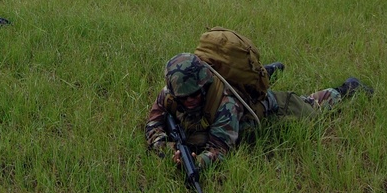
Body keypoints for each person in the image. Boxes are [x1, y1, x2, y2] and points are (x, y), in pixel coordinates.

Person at [145, 53, 372, 169]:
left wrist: (198, 162)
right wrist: (167, 149)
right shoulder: (169, 94)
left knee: (309, 108)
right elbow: (153, 125)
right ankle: (269, 71)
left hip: (255, 108)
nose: (192, 99)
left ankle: (346, 89)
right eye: (186, 97)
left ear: (205, 85)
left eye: (197, 93)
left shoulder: (225, 104)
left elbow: (220, 149)